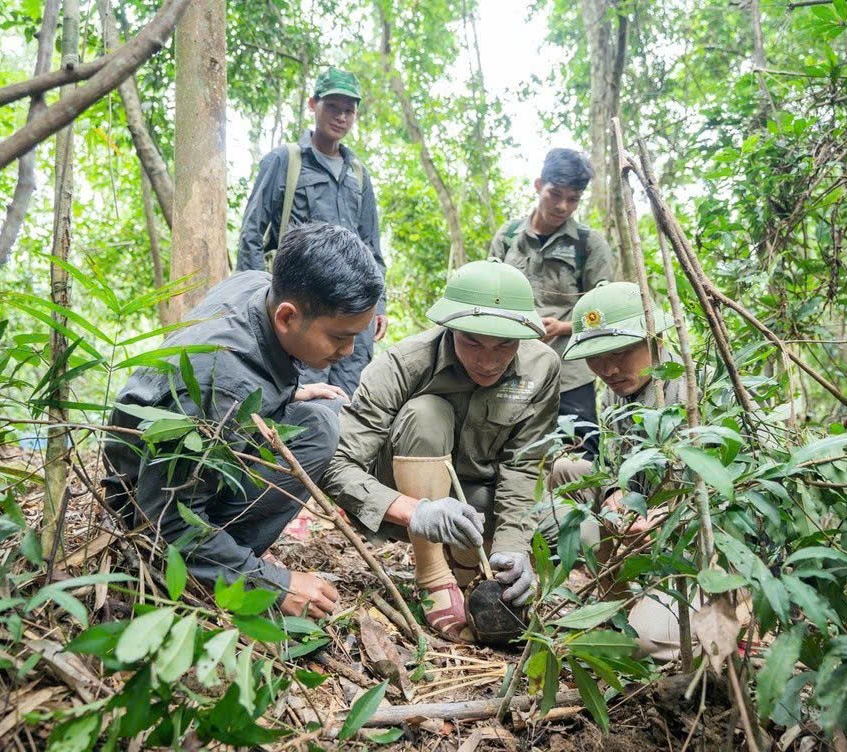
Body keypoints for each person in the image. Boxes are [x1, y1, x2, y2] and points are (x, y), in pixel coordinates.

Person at [103, 223, 384, 618]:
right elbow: (163, 525)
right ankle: (214, 577)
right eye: (339, 337)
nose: (349, 350)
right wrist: (271, 582)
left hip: (190, 447)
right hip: (143, 503)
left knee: (323, 417)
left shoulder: (256, 285)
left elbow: (249, 363)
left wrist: (283, 393)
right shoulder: (221, 390)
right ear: (287, 317)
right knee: (319, 433)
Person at [321, 259, 561, 642]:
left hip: (481, 496)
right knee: (426, 412)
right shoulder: (404, 363)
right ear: (449, 329)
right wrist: (416, 511)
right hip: (402, 501)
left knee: (569, 524)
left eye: (504, 345)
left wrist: (513, 548)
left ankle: (471, 566)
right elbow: (337, 463)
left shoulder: (542, 367)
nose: (488, 361)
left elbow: (525, 464)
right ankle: (432, 574)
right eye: (473, 342)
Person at [541, 281, 692, 660]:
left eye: (623, 351)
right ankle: (619, 597)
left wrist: (666, 516)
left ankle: (730, 611)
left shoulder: (691, 390)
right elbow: (613, 466)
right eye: (596, 356)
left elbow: (729, 495)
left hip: (696, 537)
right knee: (562, 470)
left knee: (641, 642)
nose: (608, 368)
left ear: (655, 338)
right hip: (640, 515)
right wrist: (614, 494)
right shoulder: (613, 390)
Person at [236, 66, 386, 396]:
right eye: (332, 107)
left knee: (348, 400)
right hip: (305, 309)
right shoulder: (284, 161)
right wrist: (251, 299)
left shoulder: (358, 174)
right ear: (312, 105)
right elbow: (251, 232)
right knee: (294, 397)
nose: (341, 117)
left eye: (349, 110)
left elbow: (371, 247)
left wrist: (380, 307)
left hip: (351, 314)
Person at [489, 148, 615, 460]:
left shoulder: (589, 244)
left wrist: (565, 326)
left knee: (582, 455)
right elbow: (489, 296)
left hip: (571, 371)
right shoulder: (508, 237)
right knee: (509, 450)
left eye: (573, 199)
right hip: (513, 367)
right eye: (555, 194)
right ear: (538, 185)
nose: (562, 206)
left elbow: (606, 310)